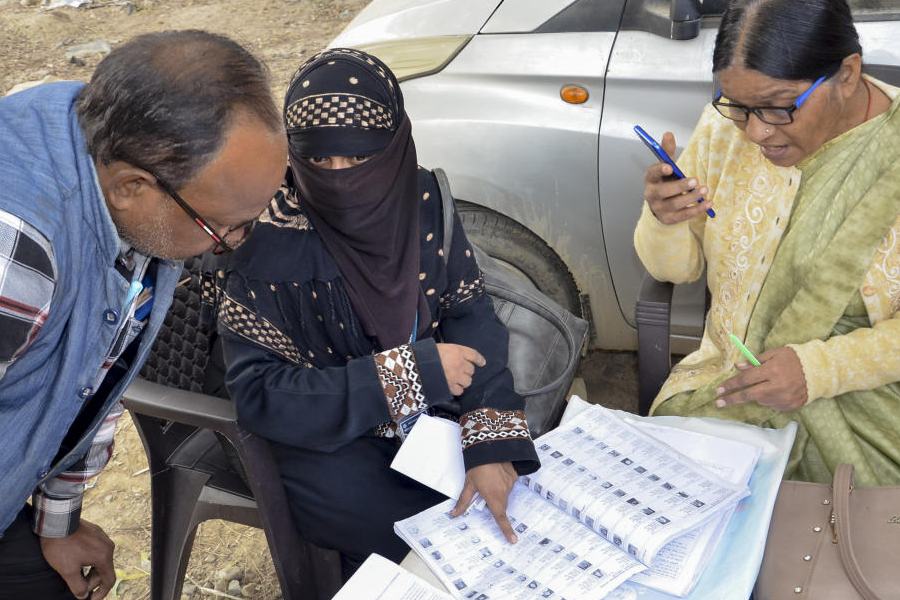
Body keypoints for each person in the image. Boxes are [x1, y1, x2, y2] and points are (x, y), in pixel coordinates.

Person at [212, 48, 539, 576]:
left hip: (428, 422)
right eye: (319, 161)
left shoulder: (424, 199)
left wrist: (489, 440)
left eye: (359, 160)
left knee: (511, 504)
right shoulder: (266, 240)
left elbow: (471, 315)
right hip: (322, 443)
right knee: (444, 546)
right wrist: (407, 375)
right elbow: (261, 394)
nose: (340, 179)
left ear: (392, 148)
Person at [0, 30, 287, 600]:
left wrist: (58, 522)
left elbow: (96, 373)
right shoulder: (16, 253)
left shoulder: (131, 165)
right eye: (221, 227)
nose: (228, 245)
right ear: (133, 186)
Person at [635, 0, 899, 485]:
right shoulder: (722, 131)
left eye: (780, 106)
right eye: (738, 106)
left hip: (872, 404)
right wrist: (664, 219)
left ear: (846, 73)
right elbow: (673, 271)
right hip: (730, 381)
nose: (756, 132)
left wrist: (820, 369)